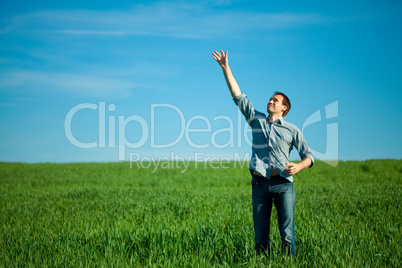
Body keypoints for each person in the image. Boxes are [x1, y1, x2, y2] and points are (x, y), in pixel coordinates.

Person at [212, 50, 314, 256]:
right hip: (259, 184)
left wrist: (299, 166)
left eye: (276, 100)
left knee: (287, 234)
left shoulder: (292, 130)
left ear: (284, 108)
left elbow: (309, 156)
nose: (271, 101)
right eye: (270, 99)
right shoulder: (256, 120)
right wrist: (226, 68)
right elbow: (238, 96)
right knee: (260, 235)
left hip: (284, 185)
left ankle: (288, 263)